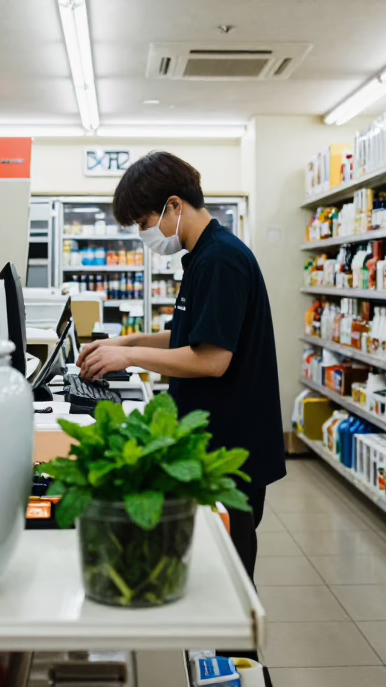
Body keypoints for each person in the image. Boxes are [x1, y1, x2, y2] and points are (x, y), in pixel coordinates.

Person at [76, 151, 286, 579]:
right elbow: (194, 336)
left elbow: (211, 360)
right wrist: (129, 340)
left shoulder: (221, 260)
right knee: (213, 562)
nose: (144, 234)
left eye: (144, 222)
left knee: (230, 572)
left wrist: (129, 356)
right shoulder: (204, 254)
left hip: (231, 446)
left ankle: (236, 628)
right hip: (216, 436)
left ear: (174, 205)